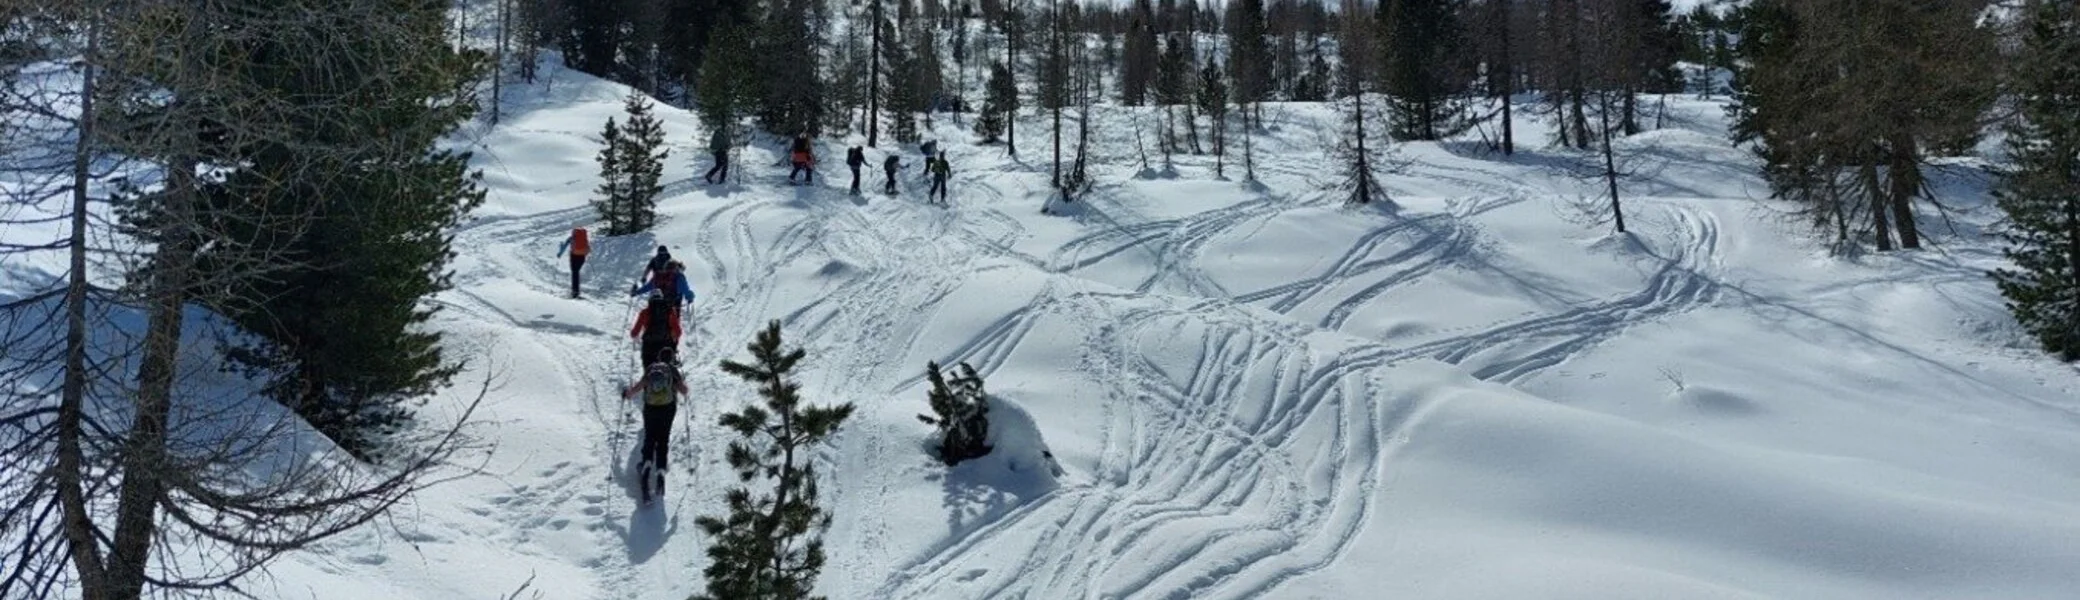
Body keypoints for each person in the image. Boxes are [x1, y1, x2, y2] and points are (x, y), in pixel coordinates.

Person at [621, 346, 686, 501]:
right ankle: (660, 472)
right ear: (671, 358)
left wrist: (627, 394)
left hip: (650, 408)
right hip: (668, 408)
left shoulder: (651, 368)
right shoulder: (672, 370)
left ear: (659, 357)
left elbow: (639, 386)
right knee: (663, 440)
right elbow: (684, 390)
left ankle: (646, 463)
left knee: (650, 437)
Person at [629, 292, 681, 367]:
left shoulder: (644, 312)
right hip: (665, 344)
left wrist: (634, 334)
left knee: (648, 369)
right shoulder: (670, 311)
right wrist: (674, 342)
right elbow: (678, 332)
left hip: (648, 345)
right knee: (666, 368)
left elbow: (634, 332)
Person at [630, 259, 696, 315]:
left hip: (659, 302)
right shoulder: (679, 277)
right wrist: (690, 297)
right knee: (674, 321)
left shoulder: (659, 276)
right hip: (674, 302)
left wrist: (636, 292)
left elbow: (647, 287)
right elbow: (686, 291)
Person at [556, 226, 590, 298]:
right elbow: (588, 248)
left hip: (574, 256)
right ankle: (576, 291)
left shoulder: (571, 238)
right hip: (582, 257)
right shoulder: (584, 238)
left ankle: (575, 292)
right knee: (576, 272)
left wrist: (559, 254)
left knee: (575, 273)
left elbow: (564, 247)